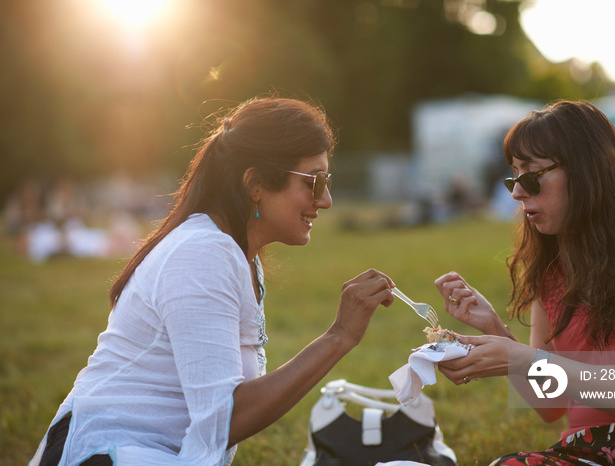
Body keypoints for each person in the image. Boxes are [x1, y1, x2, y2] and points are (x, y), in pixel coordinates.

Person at [31, 96, 395, 466]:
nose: (327, 199)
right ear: (255, 183)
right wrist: (339, 337)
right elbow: (224, 419)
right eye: (315, 182)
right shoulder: (202, 252)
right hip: (105, 454)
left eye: (327, 180)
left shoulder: (235, 254)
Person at [433, 100, 615, 465]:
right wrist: (496, 331)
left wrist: (522, 356)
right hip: (592, 448)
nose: (517, 193)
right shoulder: (552, 259)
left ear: (587, 170)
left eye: (531, 176)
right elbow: (550, 405)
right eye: (513, 177)